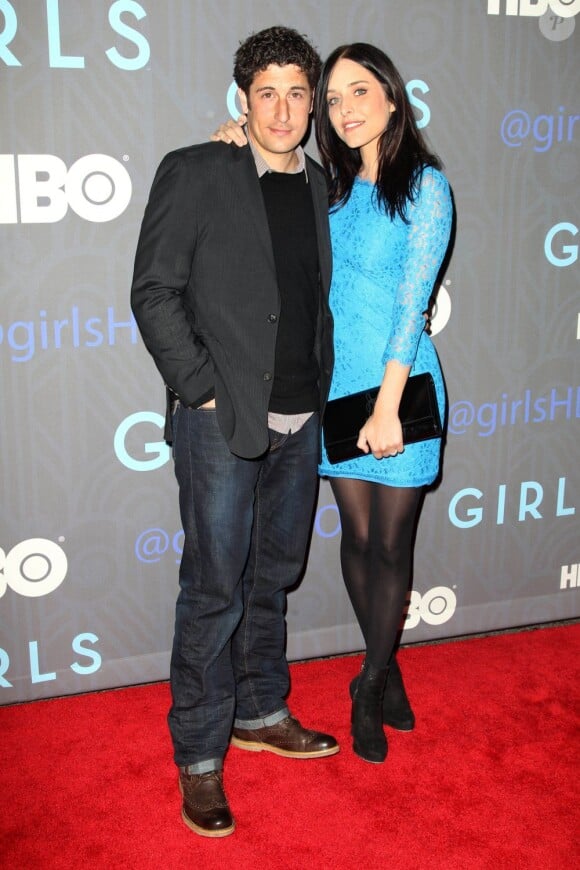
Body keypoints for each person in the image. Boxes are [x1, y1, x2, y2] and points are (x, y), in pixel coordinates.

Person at [213, 42, 453, 765]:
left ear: (390, 97)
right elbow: (266, 174)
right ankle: (389, 663)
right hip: (333, 387)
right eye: (336, 96)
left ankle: (369, 680)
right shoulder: (330, 188)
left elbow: (412, 306)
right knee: (354, 540)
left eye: (359, 92)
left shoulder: (425, 188)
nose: (346, 109)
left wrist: (385, 407)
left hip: (398, 390)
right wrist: (231, 136)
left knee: (391, 543)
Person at [130, 25, 337, 839]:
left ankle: (260, 710)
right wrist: (204, 394)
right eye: (266, 93)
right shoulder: (197, 170)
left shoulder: (321, 184)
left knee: (272, 575)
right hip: (222, 421)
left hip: (300, 416)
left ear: (310, 100)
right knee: (215, 586)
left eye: (296, 92)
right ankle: (200, 756)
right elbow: (154, 292)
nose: (282, 109)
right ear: (241, 101)